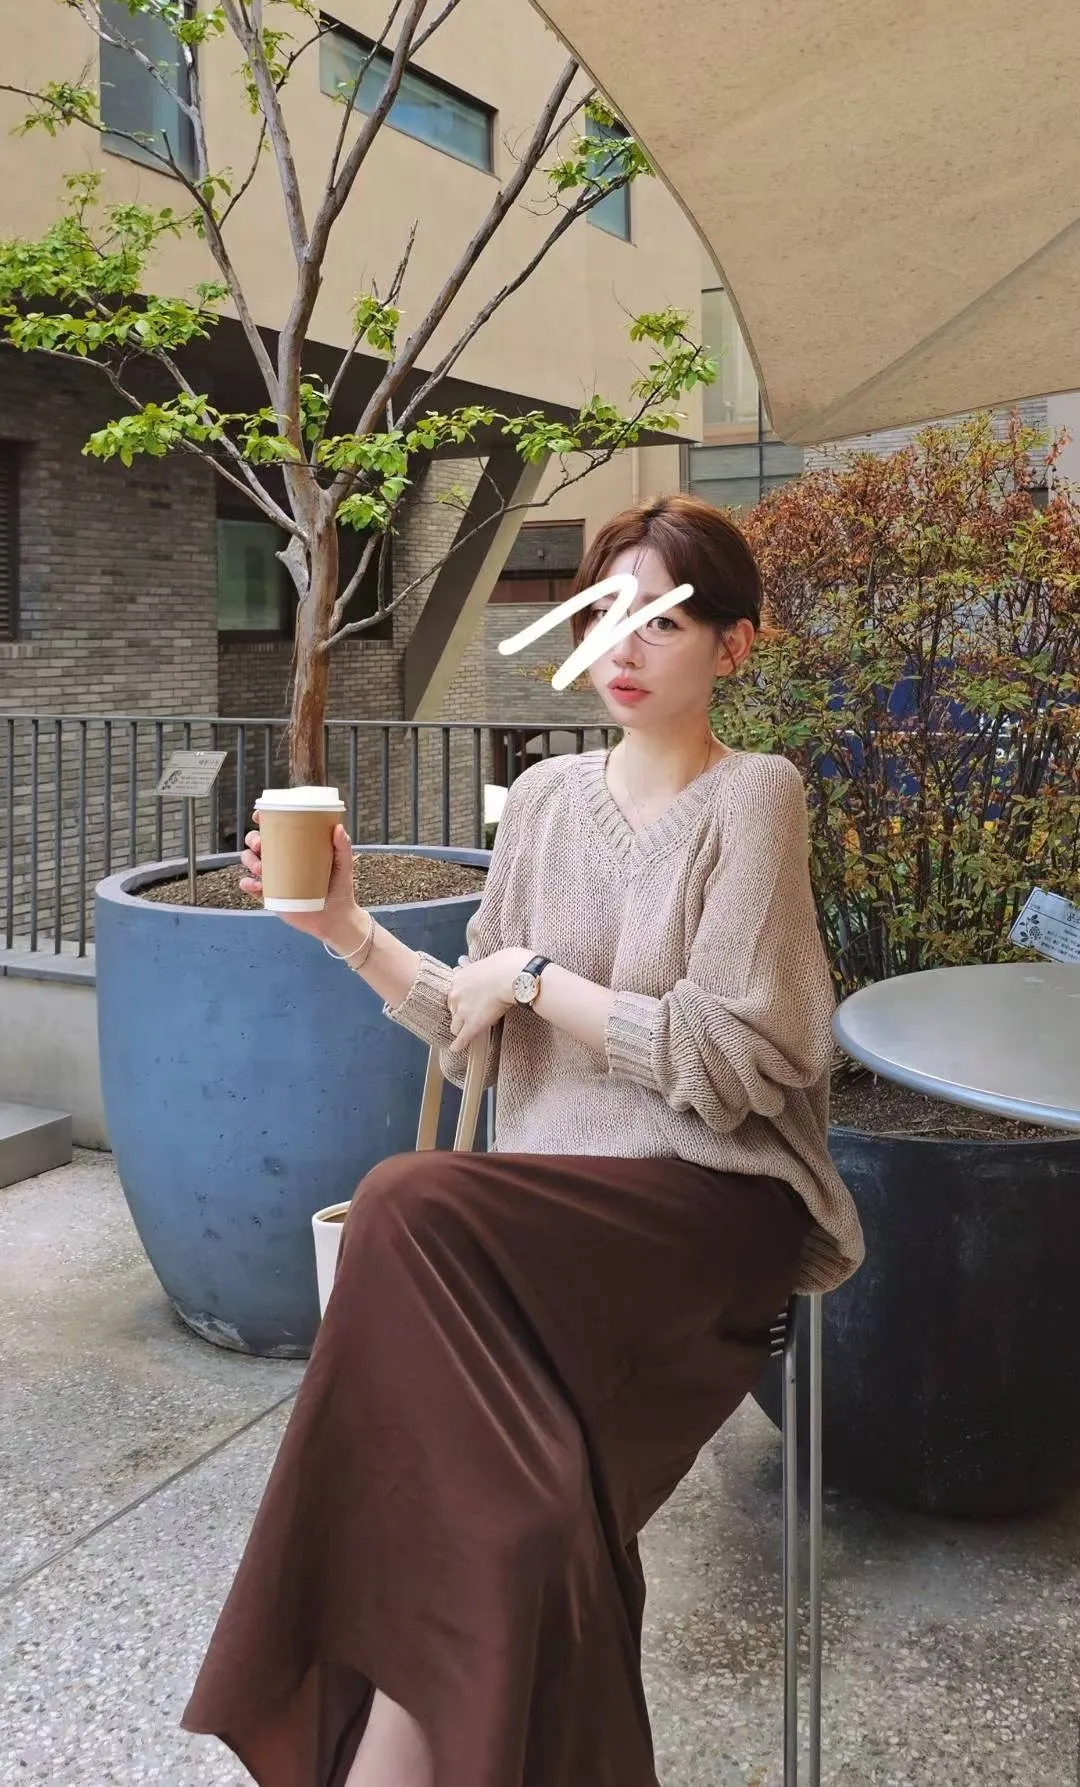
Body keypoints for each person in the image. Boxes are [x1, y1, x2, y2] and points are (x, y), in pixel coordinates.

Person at [183, 494, 864, 1787]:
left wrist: (543, 979)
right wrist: (344, 929)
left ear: (734, 644)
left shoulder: (755, 797)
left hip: (704, 1207)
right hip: (540, 1231)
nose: (625, 643)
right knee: (521, 1524)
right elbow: (470, 1020)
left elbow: (744, 1059)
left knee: (405, 1203)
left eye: (664, 618)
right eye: (606, 611)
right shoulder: (545, 800)